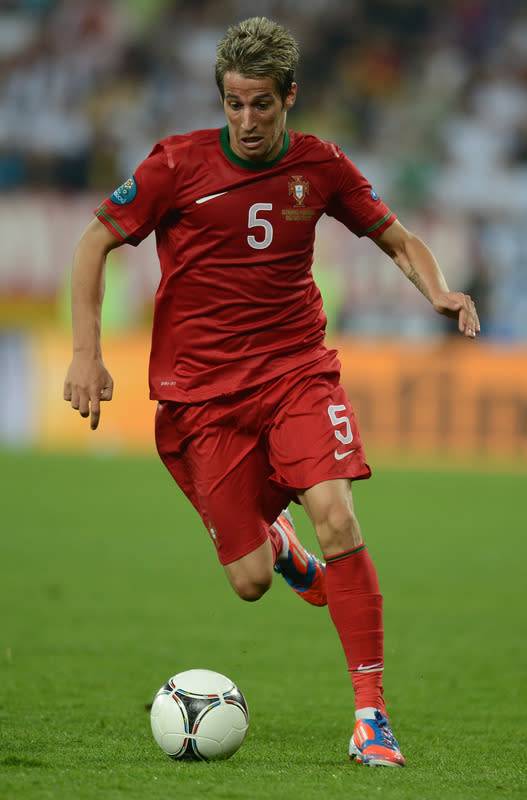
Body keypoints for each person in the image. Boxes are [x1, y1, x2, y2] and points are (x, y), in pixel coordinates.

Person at [63, 16, 480, 767]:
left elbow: (394, 236)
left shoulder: (320, 166)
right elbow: (94, 241)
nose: (247, 121)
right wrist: (86, 354)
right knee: (250, 581)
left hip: (295, 372)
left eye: (262, 104)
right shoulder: (174, 165)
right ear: (219, 99)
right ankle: (275, 546)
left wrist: (438, 289)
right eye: (233, 103)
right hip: (203, 397)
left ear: (290, 97)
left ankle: (370, 719)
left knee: (338, 520)